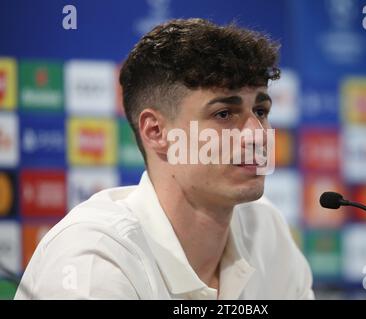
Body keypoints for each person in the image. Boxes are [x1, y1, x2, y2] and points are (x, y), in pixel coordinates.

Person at [15, 18, 314, 300]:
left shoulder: (266, 227)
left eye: (261, 111)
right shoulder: (94, 258)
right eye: (223, 114)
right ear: (156, 131)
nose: (257, 134)